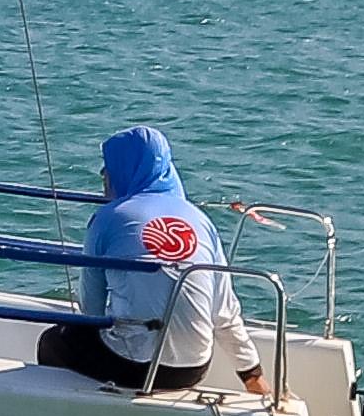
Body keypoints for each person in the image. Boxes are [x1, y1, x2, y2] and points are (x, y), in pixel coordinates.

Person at [38, 124, 250, 389]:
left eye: (108, 166)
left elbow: (90, 310)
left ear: (123, 169)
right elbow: (224, 312)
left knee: (53, 341)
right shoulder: (200, 219)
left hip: (133, 367)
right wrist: (253, 376)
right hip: (193, 368)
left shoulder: (107, 218)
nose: (103, 175)